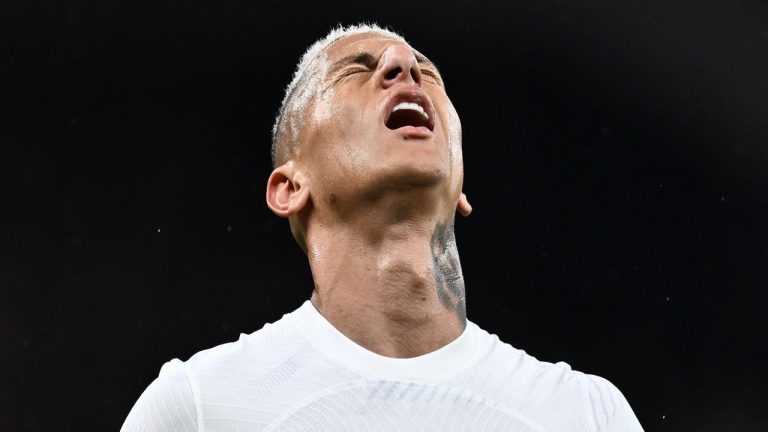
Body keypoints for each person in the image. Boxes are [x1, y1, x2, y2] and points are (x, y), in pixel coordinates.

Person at [122, 24, 644, 431]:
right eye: (355, 70)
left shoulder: (588, 415)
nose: (404, 63)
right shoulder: (200, 409)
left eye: (428, 72)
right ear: (290, 187)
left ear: (461, 185)